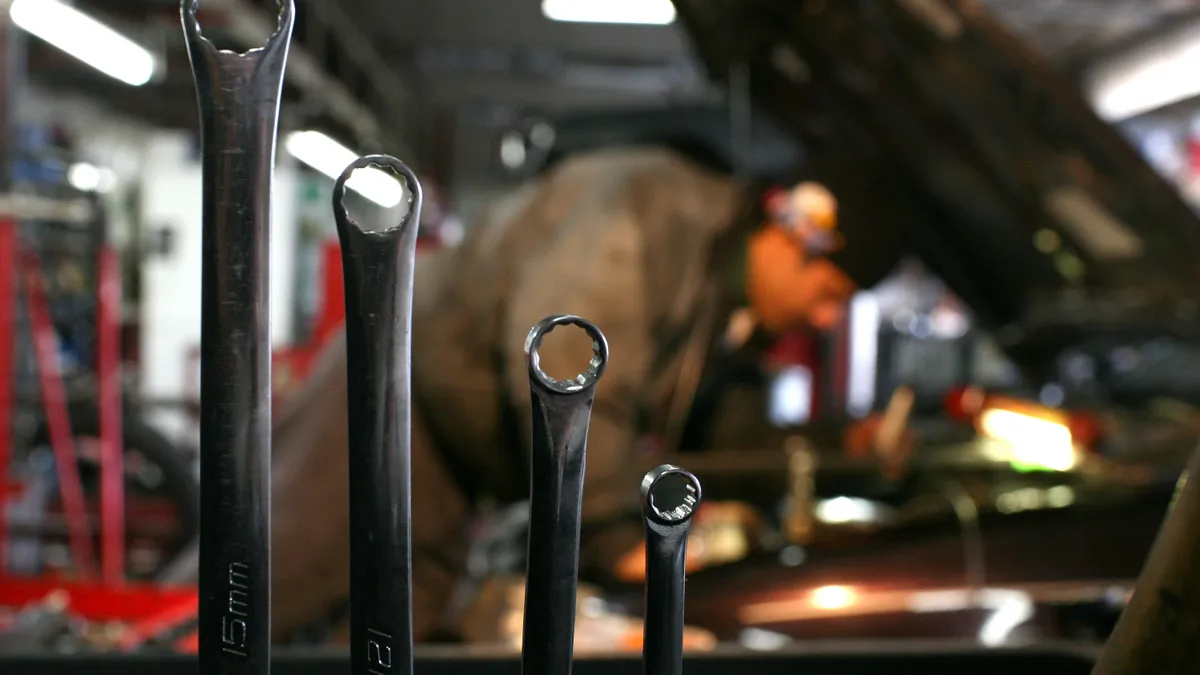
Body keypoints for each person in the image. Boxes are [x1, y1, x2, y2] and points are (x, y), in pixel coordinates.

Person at [256, 146, 911, 642]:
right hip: (388, 393)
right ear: (792, 232)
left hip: (458, 459)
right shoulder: (654, 212)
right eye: (829, 295)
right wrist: (612, 535)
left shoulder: (722, 301)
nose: (827, 319)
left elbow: (720, 430)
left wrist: (837, 450)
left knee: (387, 634)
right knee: (268, 597)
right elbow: (563, 361)